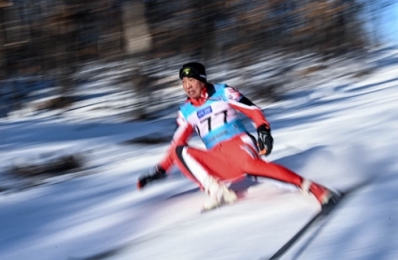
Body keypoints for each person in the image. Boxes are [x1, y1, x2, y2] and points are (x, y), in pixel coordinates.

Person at [136, 62, 338, 211]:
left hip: (240, 145)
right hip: (219, 160)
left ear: (202, 80)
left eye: (192, 80)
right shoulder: (185, 112)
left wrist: (264, 131)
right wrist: (159, 170)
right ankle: (218, 191)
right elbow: (176, 144)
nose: (188, 85)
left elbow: (253, 110)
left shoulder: (223, 92)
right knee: (181, 150)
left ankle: (314, 188)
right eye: (184, 82)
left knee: (249, 167)